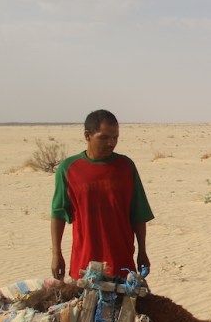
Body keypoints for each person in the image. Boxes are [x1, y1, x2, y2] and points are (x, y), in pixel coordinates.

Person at [50, 109, 155, 281]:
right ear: (88, 135)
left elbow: (138, 214)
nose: (111, 143)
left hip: (121, 261)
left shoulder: (126, 166)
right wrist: (56, 254)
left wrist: (142, 252)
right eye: (104, 137)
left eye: (115, 137)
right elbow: (58, 214)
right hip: (84, 263)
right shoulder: (69, 169)